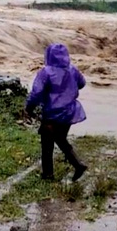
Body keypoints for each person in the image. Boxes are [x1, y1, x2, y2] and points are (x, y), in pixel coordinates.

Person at [26, 43, 88, 181]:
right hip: (69, 112)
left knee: (47, 144)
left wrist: (29, 107)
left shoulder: (45, 72)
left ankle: (49, 174)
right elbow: (82, 83)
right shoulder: (73, 70)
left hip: (51, 113)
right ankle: (76, 164)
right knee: (61, 139)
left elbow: (36, 93)